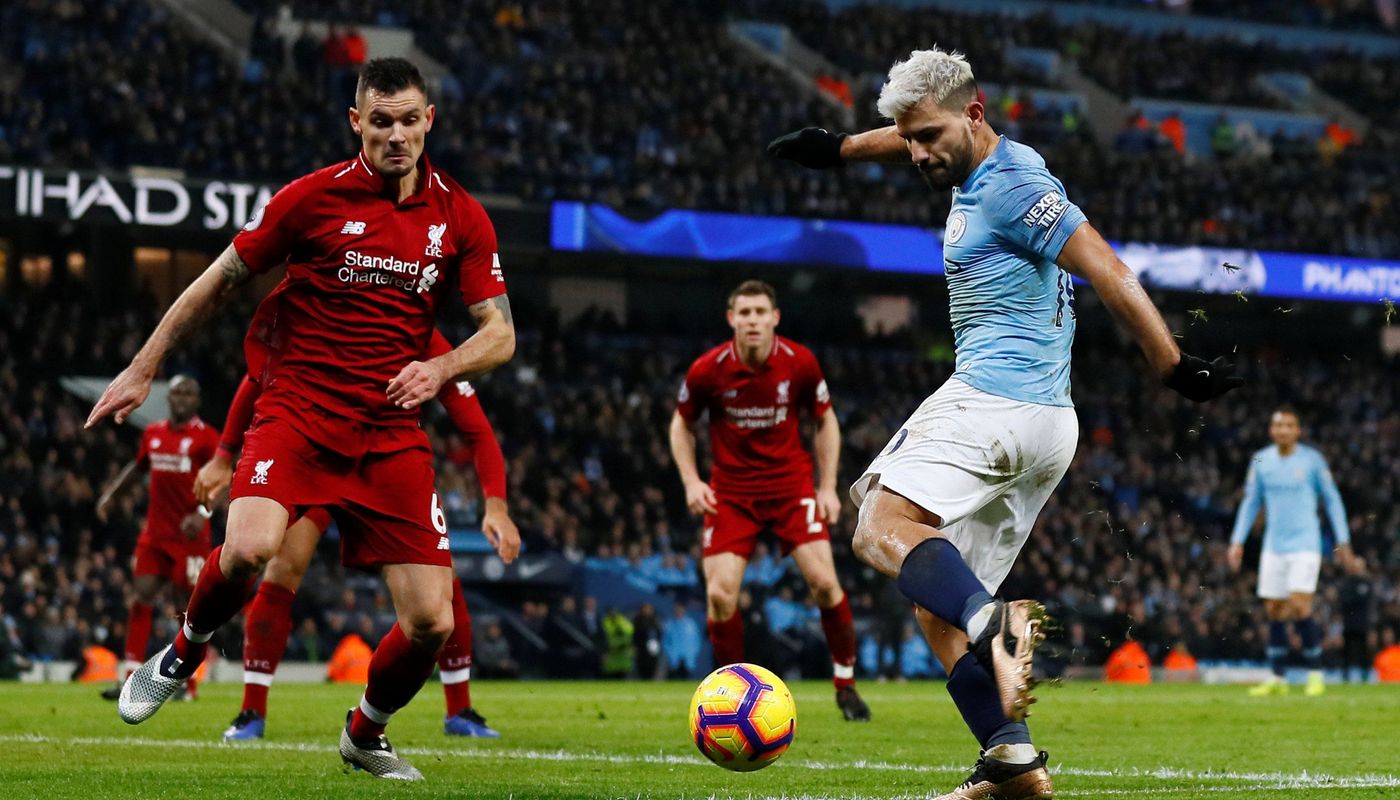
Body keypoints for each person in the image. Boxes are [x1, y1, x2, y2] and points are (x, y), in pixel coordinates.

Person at [769, 47, 1240, 799]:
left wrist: (1172, 365)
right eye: (910, 139)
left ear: (975, 114)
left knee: (877, 525)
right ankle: (1011, 757)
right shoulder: (971, 154)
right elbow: (913, 131)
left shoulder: (1014, 186)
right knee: (933, 597)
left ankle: (996, 623)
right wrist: (842, 148)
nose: (917, 153)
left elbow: (1108, 267)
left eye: (928, 137)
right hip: (1044, 425)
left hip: (995, 400)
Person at [85, 57, 514, 781]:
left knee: (431, 622)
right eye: (381, 122)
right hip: (299, 413)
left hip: (389, 434)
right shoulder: (311, 198)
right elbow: (218, 280)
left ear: (429, 120)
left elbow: (499, 334)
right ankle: (183, 652)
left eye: (410, 121)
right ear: (356, 123)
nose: (397, 136)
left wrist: (441, 369)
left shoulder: (460, 215)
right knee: (249, 549)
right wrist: (143, 365)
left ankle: (365, 734)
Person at [196, 329, 518, 741]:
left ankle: (459, 710)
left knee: (439, 584)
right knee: (281, 568)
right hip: (314, 454)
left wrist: (496, 506)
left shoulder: (420, 333)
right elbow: (256, 376)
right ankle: (251, 712)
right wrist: (223, 454)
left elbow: (477, 428)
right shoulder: (328, 313)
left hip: (379, 466)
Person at [668, 280, 869, 721]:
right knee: (720, 594)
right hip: (732, 493)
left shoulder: (799, 362)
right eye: (745, 313)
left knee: (825, 584)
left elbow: (825, 420)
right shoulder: (708, 370)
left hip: (789, 488)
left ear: (775, 317)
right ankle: (729, 692)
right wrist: (690, 481)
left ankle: (846, 685)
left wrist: (827, 487)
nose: (753, 320)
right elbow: (681, 424)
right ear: (731, 319)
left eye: (760, 312)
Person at [93, 375, 220, 700]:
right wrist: (110, 496)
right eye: (177, 392)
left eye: (188, 393)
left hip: (190, 539)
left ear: (197, 400)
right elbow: (138, 469)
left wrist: (203, 513)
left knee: (186, 610)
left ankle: (188, 685)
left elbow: (224, 480)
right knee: (141, 598)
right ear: (169, 397)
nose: (182, 398)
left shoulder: (207, 438)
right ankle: (130, 679)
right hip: (155, 535)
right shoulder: (153, 433)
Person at [1229, 407, 1358, 697]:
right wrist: (1237, 540)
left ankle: (1315, 674)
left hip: (1305, 545)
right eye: (1278, 425)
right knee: (1274, 610)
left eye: (1289, 425)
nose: (1283, 430)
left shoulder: (1313, 460)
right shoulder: (1260, 459)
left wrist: (1343, 541)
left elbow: (1332, 499)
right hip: (1273, 546)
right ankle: (1278, 677)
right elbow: (1251, 501)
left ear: (1297, 431)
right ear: (1271, 430)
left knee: (1299, 605)